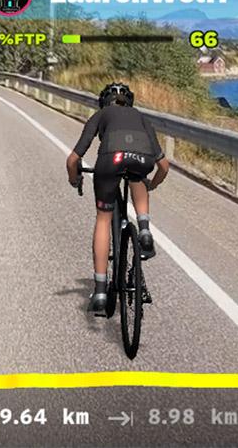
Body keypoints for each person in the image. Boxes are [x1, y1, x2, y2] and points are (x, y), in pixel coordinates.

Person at [66, 81, 171, 313]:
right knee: (138, 178)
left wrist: (75, 180)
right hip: (142, 160)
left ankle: (102, 290)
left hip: (110, 160)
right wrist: (152, 184)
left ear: (104, 102)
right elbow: (163, 165)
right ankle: (144, 228)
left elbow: (73, 159)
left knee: (103, 218)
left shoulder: (101, 115)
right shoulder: (141, 117)